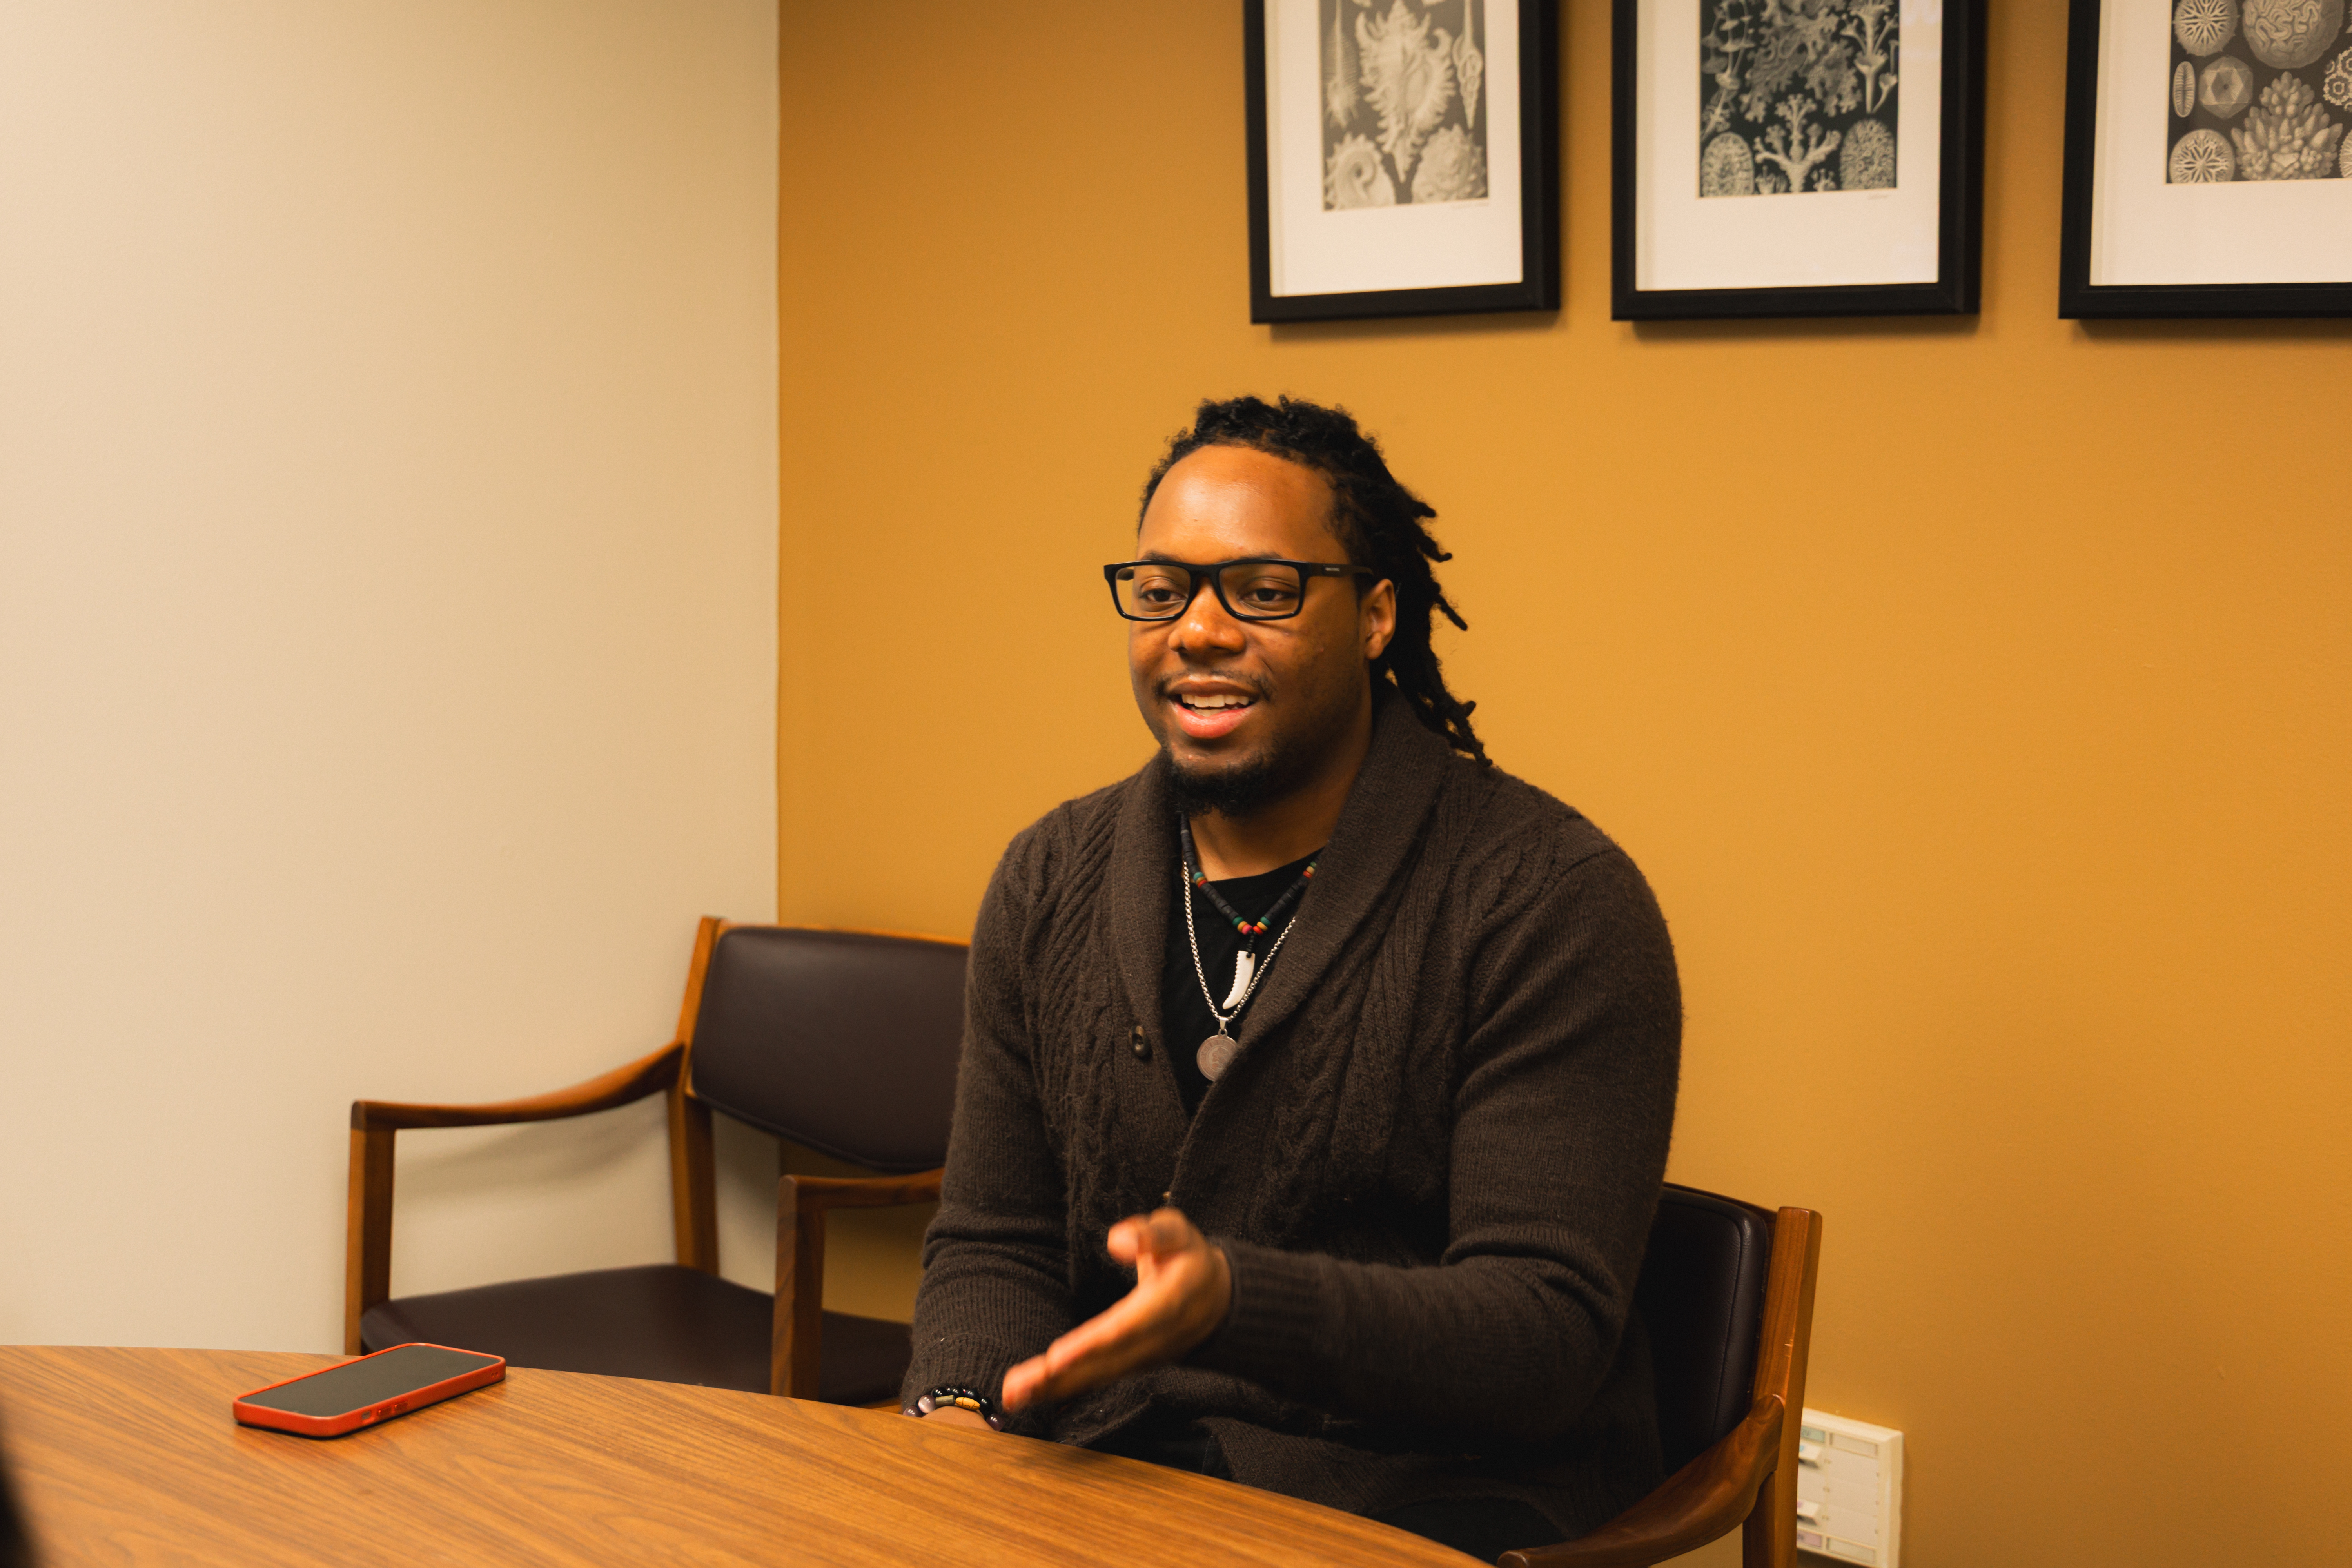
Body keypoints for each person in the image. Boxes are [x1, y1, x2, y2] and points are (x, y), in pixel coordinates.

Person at [900, 395, 1681, 1562]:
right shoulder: (1052, 876)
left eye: (1260, 591)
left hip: (1422, 1491)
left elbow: (1544, 1333)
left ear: (1374, 616)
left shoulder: (1549, 898)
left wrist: (1234, 1302)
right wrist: (962, 1416)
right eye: (1161, 590)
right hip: (1110, 1465)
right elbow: (993, 1240)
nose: (1196, 632)